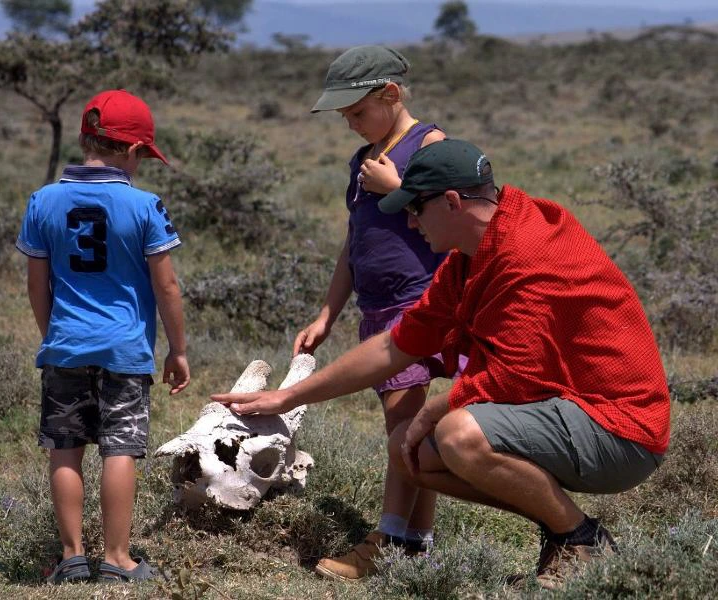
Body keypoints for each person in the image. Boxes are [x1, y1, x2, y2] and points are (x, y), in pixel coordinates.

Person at [212, 139, 671, 590]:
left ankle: (581, 539)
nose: (410, 224)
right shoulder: (471, 258)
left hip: (621, 430)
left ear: (452, 201)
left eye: (415, 209)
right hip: (570, 413)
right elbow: (396, 346)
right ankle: (564, 532)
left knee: (456, 434)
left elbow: (514, 376)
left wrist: (431, 412)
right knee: (409, 453)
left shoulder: (527, 253)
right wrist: (287, 395)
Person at [16, 89, 191, 584]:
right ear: (134, 152)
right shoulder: (143, 205)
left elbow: (36, 283)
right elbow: (167, 285)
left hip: (64, 345)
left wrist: (53, 335)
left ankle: (72, 557)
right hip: (126, 350)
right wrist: (177, 349)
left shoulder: (43, 200)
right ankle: (117, 559)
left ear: (82, 137)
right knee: (120, 449)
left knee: (65, 448)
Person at [294, 44, 449, 581]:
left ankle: (386, 543)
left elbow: (455, 217)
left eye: (357, 112)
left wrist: (398, 189)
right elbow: (353, 242)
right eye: (345, 117)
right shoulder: (360, 161)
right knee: (410, 429)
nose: (350, 124)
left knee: (404, 427)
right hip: (377, 308)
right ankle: (416, 546)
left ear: (391, 94)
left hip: (421, 303)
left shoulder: (430, 145)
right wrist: (327, 312)